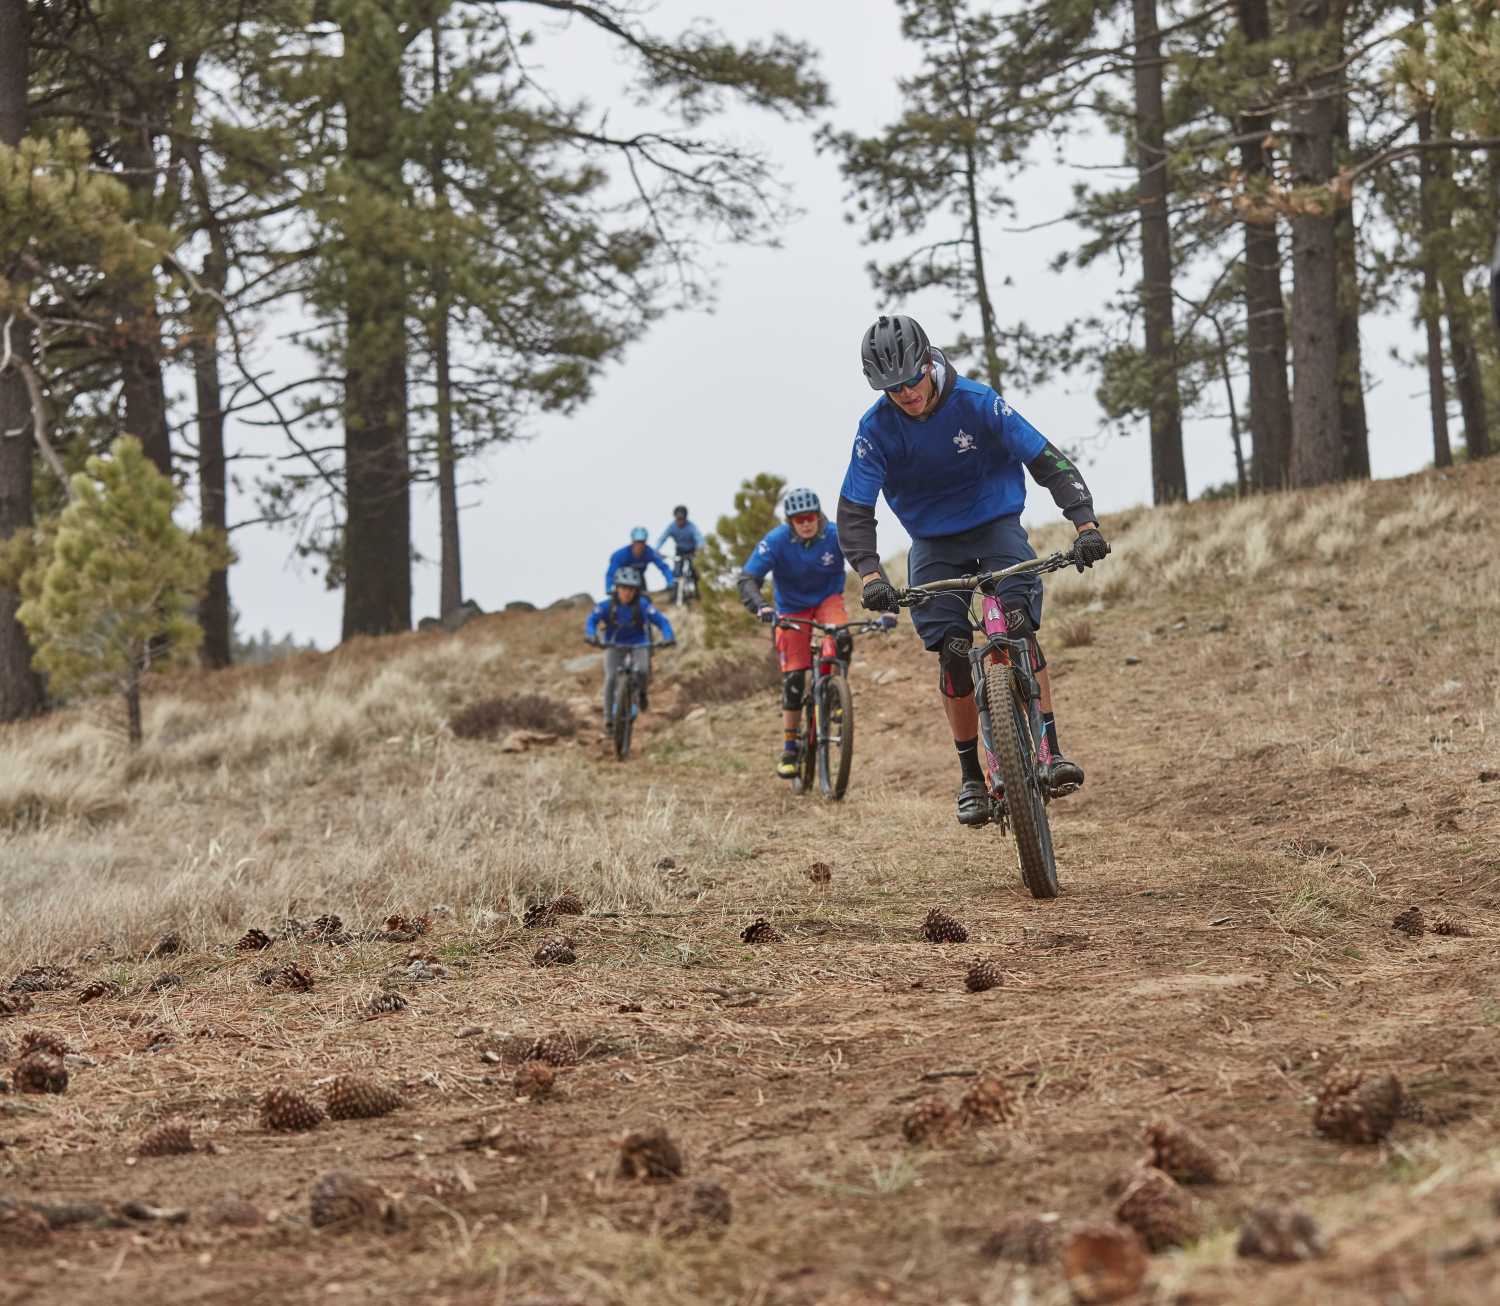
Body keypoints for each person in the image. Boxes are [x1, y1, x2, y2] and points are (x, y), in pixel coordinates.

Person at [837, 314, 1109, 827]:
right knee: (953, 653)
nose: (907, 394)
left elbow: (1047, 460)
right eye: (892, 388)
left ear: (927, 362)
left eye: (912, 380)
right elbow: (854, 510)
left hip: (995, 525)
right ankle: (971, 777)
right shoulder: (875, 429)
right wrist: (871, 576)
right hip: (933, 543)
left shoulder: (978, 403)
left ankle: (1048, 749)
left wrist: (1085, 525)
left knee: (1019, 626)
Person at [738, 487, 890, 779]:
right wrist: (761, 607)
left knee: (841, 635)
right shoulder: (776, 541)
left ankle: (834, 696)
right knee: (795, 677)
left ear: (818, 516)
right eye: (799, 519)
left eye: (810, 517)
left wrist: (885, 606)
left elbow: (866, 560)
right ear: (790, 521)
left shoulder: (834, 534)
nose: (806, 523)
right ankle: (790, 748)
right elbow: (747, 578)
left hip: (826, 602)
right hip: (790, 610)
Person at [585, 565, 674, 725]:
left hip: (639, 643)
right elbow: (591, 620)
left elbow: (662, 621)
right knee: (611, 677)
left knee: (643, 671)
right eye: (624, 588)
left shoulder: (643, 605)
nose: (627, 592)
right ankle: (608, 718)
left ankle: (639, 694)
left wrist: (668, 636)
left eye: (632, 589)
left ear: (636, 591)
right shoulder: (606, 605)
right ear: (617, 588)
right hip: (614, 643)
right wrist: (591, 635)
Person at [657, 505, 706, 603]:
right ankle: (674, 595)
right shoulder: (672, 527)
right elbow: (662, 538)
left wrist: (700, 549)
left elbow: (699, 538)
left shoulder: (691, 527)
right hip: (680, 551)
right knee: (676, 573)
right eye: (678, 519)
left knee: (695, 572)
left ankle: (698, 594)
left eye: (682, 519)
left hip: (692, 551)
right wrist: (657, 550)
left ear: (686, 518)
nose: (680, 521)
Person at [604, 527, 674, 594]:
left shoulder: (650, 552)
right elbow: (611, 573)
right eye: (637, 542)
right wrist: (609, 587)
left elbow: (663, 567)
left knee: (644, 600)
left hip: (639, 579)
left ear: (645, 542)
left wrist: (670, 581)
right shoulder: (621, 555)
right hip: (622, 581)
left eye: (642, 542)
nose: (639, 545)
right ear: (632, 542)